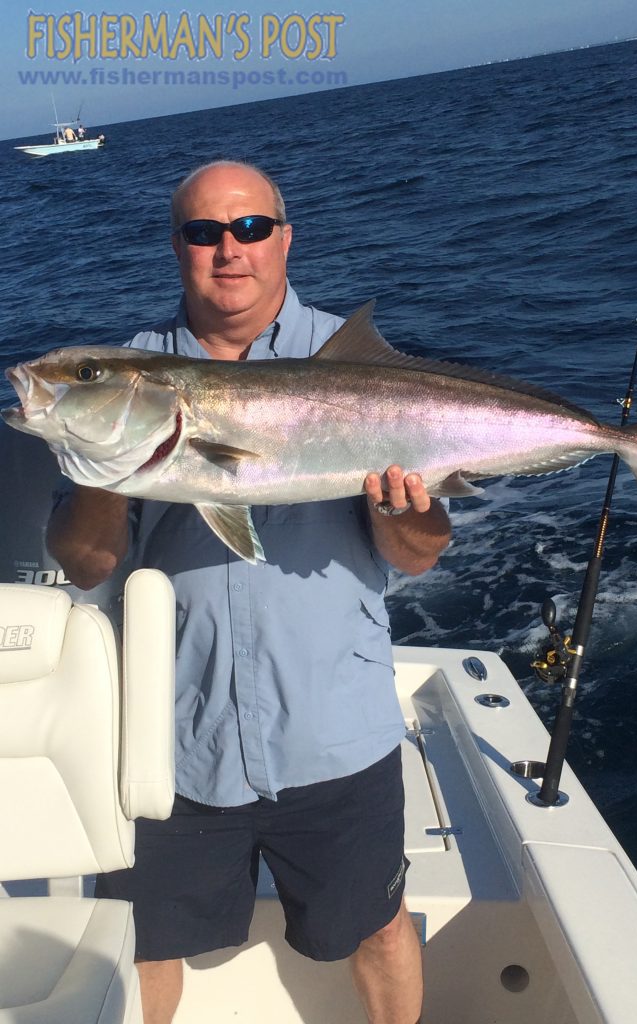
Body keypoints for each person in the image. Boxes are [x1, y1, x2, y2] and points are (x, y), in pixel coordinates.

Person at [48, 160, 452, 1024]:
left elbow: (418, 557)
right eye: (203, 233)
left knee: (378, 926)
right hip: (170, 740)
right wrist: (107, 461)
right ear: (177, 248)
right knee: (143, 940)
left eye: (249, 228)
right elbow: (84, 564)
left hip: (335, 730)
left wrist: (402, 510)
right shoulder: (132, 372)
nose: (228, 251)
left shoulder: (351, 362)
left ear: (284, 238)